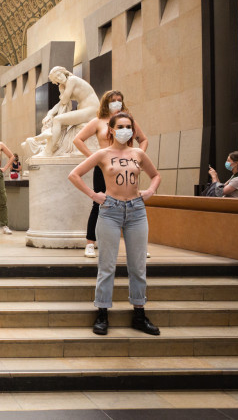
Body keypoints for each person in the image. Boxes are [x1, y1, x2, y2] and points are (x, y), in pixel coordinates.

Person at [68, 112, 162, 337]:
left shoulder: (138, 153)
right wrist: (94, 195)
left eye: (128, 126)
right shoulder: (102, 154)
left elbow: (155, 175)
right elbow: (74, 174)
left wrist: (150, 191)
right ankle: (102, 313)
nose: (125, 129)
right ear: (110, 129)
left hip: (137, 211)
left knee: (138, 266)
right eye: (120, 126)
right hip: (110, 211)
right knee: (107, 265)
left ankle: (139, 313)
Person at [73, 90, 148, 258]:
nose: (116, 103)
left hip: (126, 166)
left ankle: (138, 245)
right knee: (99, 202)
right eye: (113, 100)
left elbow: (143, 139)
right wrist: (93, 158)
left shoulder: (128, 122)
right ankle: (90, 243)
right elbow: (78, 139)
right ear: (106, 102)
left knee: (132, 201)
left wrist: (138, 158)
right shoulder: (98, 122)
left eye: (119, 100)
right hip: (104, 166)